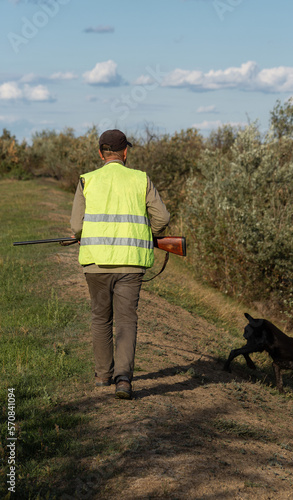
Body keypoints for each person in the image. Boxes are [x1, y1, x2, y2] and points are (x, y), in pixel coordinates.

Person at [70, 129, 170, 399]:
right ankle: (123, 380)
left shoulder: (86, 180)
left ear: (100, 153)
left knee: (101, 319)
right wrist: (152, 235)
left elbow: (76, 226)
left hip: (96, 264)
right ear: (125, 152)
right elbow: (161, 219)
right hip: (131, 265)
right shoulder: (141, 179)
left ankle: (103, 376)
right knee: (127, 320)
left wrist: (79, 236)